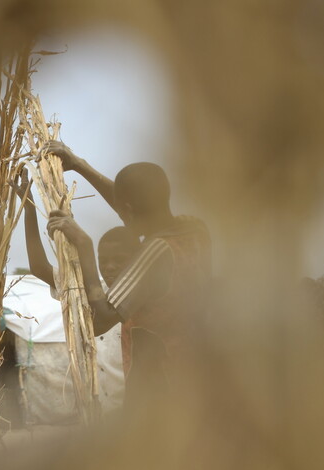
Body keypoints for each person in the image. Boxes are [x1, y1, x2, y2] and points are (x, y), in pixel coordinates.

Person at [41, 143, 212, 419]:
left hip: (160, 395)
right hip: (199, 380)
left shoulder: (155, 253)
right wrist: (80, 165)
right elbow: (137, 208)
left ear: (129, 210)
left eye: (122, 211)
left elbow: (100, 321)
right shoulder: (196, 231)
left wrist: (85, 245)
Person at [15, 167, 140, 413]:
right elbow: (39, 268)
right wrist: (29, 208)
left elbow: (102, 321)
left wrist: (84, 244)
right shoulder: (91, 286)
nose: (110, 266)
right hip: (101, 414)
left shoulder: (142, 294)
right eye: (104, 260)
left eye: (119, 260)